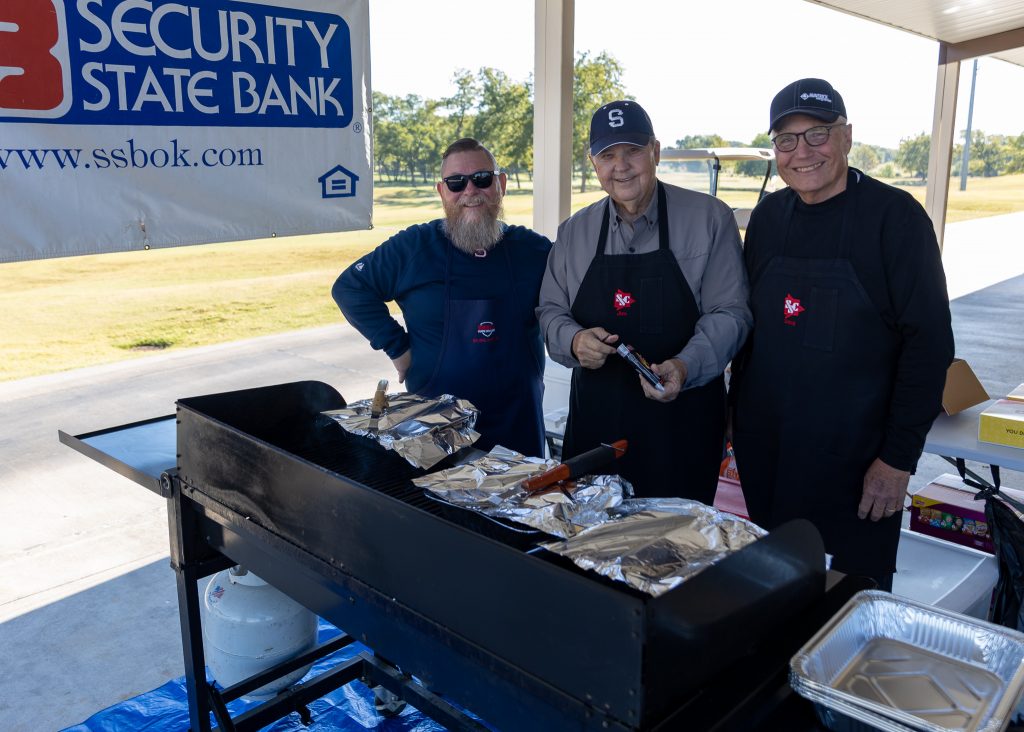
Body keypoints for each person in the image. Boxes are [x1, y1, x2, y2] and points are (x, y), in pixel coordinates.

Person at [729, 78, 955, 590]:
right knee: (777, 596)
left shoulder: (895, 220)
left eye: (818, 134)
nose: (802, 152)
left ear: (847, 136)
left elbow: (930, 347)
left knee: (849, 607)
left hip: (857, 469)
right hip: (771, 457)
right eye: (787, 139)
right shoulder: (767, 217)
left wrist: (898, 460)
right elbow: (751, 332)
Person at [537, 100, 752, 500]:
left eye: (633, 150)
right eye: (607, 155)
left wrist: (684, 366)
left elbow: (731, 313)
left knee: (677, 551)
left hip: (683, 428)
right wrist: (572, 340)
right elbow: (550, 312)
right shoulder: (573, 233)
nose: (621, 165)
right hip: (595, 432)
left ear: (655, 151)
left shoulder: (709, 219)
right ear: (593, 163)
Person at [333, 138, 552, 456]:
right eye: (456, 183)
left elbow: (577, 300)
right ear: (441, 192)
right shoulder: (415, 247)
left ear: (500, 183)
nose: (470, 191)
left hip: (517, 430)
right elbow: (350, 288)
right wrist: (397, 346)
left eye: (482, 179)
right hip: (435, 433)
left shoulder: (534, 250)